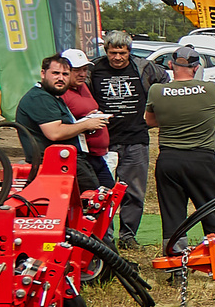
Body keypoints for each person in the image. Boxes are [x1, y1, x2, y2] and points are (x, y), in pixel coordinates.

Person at [148, 46, 215, 265]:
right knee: (212, 210)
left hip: (169, 158)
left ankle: (176, 266)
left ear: (170, 65)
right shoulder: (211, 89)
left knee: (172, 214)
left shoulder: (157, 91)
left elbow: (149, 121)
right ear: (196, 67)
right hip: (202, 159)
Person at [87, 31, 155, 246]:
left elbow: (164, 85)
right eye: (112, 52)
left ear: (129, 52)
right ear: (105, 51)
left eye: (121, 53)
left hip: (136, 139)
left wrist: (154, 115)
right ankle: (104, 236)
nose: (117, 57)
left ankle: (128, 236)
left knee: (134, 192)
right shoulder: (93, 70)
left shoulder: (143, 68)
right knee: (103, 192)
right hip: (104, 142)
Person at [13, 54, 111, 172]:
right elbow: (55, 133)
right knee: (93, 190)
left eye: (65, 74)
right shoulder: (40, 97)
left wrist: (86, 120)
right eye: (55, 73)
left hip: (70, 161)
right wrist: (86, 124)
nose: (61, 78)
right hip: (55, 165)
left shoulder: (53, 96)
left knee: (105, 188)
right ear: (43, 73)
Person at [54, 48, 115, 189]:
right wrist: (86, 122)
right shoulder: (60, 93)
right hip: (81, 157)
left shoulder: (83, 87)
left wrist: (94, 116)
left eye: (85, 69)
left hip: (97, 155)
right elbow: (62, 125)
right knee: (93, 196)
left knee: (109, 193)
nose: (82, 74)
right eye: (77, 70)